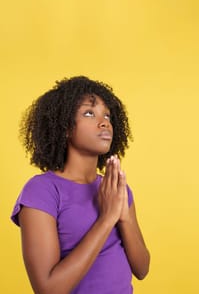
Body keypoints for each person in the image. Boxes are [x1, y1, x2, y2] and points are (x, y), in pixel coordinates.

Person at [11, 76, 150, 294]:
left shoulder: (115, 188)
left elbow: (142, 269)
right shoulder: (41, 191)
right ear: (64, 127)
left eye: (107, 115)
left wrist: (123, 216)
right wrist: (107, 219)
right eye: (89, 113)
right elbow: (48, 290)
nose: (104, 122)